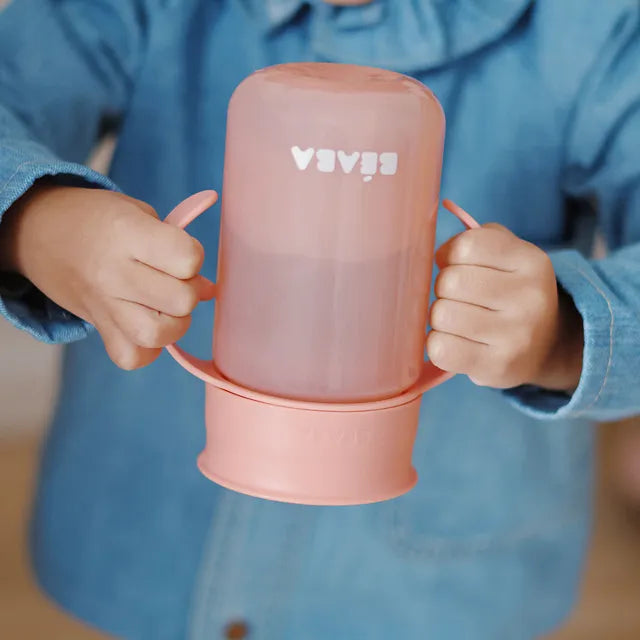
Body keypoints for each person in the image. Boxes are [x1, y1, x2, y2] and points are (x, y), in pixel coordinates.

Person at [0, 0, 639, 638]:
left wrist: (562, 335)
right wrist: (37, 222)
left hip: (433, 596)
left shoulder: (594, 30)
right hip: (139, 542)